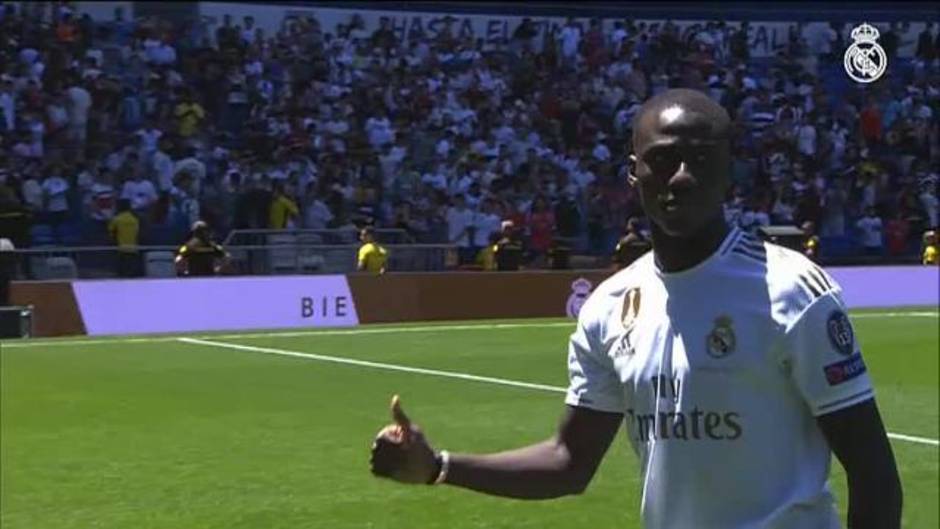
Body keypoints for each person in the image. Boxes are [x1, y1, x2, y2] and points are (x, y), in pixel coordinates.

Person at [370, 89, 901, 529]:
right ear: (634, 172)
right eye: (664, 159)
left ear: (729, 174)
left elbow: (874, 473)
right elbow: (568, 462)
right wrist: (439, 466)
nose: (682, 176)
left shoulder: (793, 291)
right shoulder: (608, 308)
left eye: (702, 160)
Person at [108, 199, 139, 277]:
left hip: (121, 250)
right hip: (133, 249)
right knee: (132, 274)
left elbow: (111, 233)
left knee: (122, 274)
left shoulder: (116, 219)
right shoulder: (134, 219)